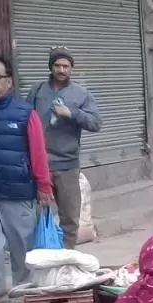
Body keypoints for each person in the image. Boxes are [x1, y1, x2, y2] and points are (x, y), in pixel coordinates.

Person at [0, 54, 54, 303]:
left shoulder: (24, 113)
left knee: (21, 243)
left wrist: (43, 185)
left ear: (9, 82)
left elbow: (38, 152)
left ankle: (22, 285)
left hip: (17, 189)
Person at [27, 48, 102, 249]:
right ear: (51, 67)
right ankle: (42, 255)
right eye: (57, 65)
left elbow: (96, 123)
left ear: (71, 69)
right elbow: (24, 119)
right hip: (39, 164)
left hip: (67, 165)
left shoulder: (81, 94)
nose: (61, 69)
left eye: (66, 66)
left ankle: (67, 256)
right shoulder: (38, 91)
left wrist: (72, 113)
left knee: (70, 217)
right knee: (38, 215)